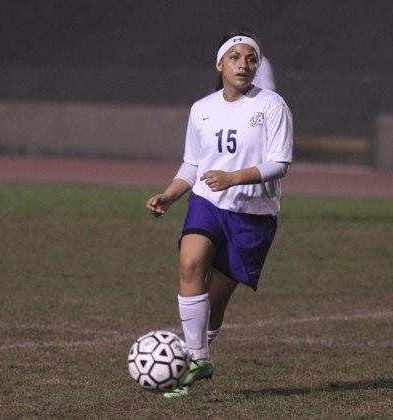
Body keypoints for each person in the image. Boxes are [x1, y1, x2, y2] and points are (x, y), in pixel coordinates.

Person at [145, 28, 293, 398]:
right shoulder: (202, 109)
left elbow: (280, 163)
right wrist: (170, 193)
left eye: (251, 58)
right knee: (190, 263)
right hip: (208, 202)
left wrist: (234, 177)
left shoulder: (272, 105)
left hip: (253, 215)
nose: (243, 65)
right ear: (220, 64)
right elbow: (193, 164)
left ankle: (198, 352)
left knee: (215, 301)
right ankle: (196, 358)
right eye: (235, 57)